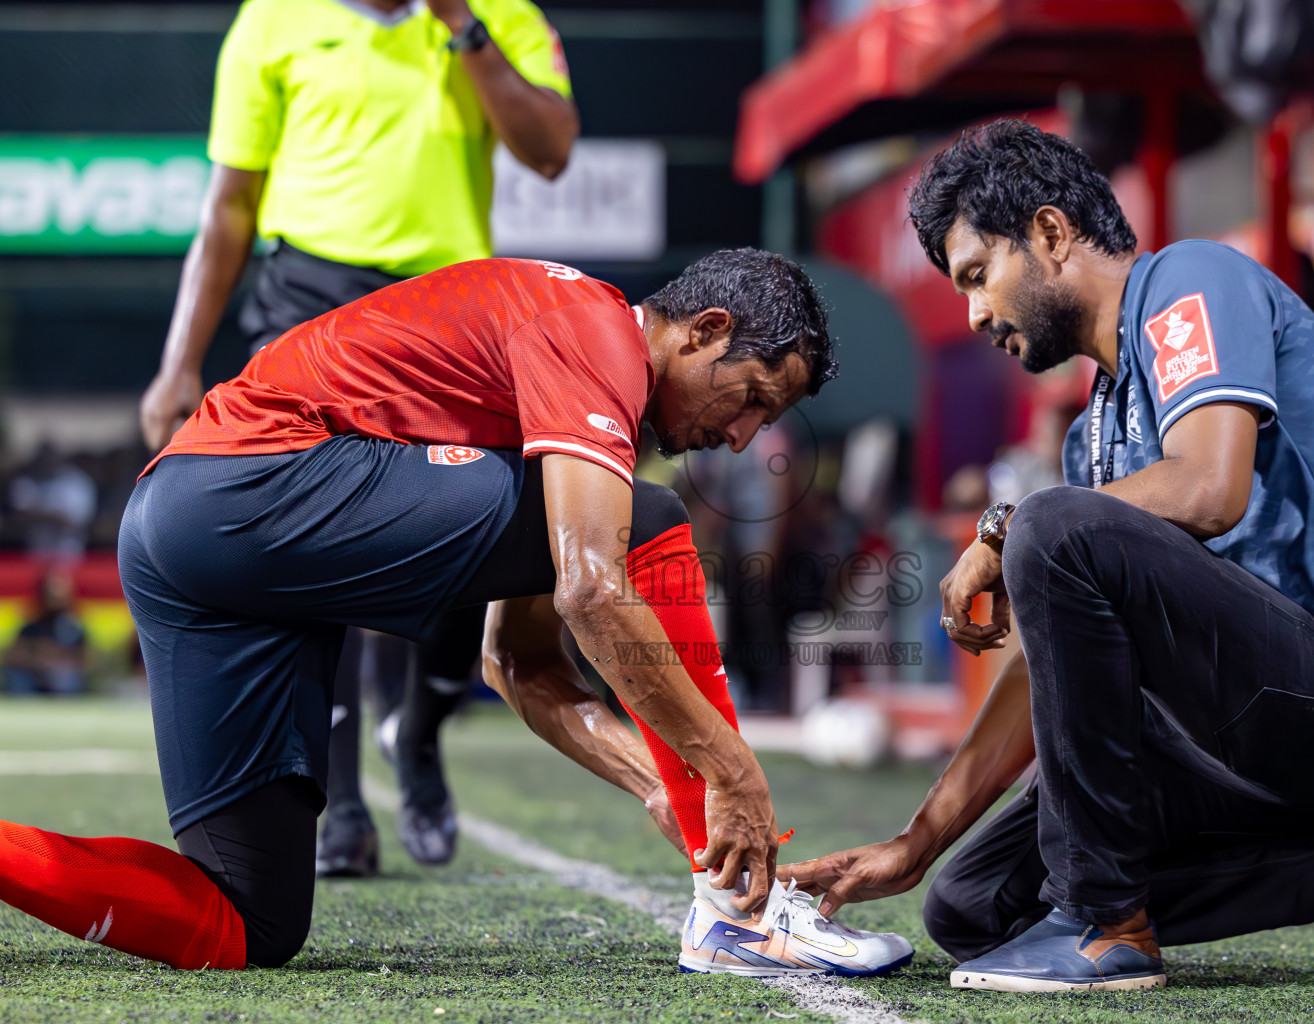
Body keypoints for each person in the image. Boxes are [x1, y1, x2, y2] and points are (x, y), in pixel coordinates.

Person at [0, 249, 912, 978]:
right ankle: (740, 917)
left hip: (189, 541)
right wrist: (731, 773)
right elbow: (592, 588)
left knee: (247, 918)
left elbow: (519, 664)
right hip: (247, 489)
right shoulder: (593, 331)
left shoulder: (566, 411)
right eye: (752, 396)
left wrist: (653, 781)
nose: (745, 436)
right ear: (706, 330)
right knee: (651, 524)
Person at [779, 120, 1314, 993]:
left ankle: (1106, 926)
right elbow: (1041, 672)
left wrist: (1005, 528)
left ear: (1053, 234)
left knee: (1053, 525)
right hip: (1244, 730)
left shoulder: (1190, 281)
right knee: (974, 906)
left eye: (979, 277)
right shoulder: (1089, 444)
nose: (975, 314)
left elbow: (1212, 487)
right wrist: (916, 843)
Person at [136, 0, 580, 877]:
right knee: (312, 552)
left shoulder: (496, 16)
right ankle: (338, 806)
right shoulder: (272, 21)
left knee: (484, 520)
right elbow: (228, 207)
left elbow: (551, 148)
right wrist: (176, 363)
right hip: (310, 297)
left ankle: (416, 731)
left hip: (449, 309)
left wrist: (464, 28)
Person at [1, 570, 88, 696]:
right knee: (18, 677)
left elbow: (86, 661)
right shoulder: (30, 627)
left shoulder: (75, 628)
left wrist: (58, 658)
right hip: (32, 678)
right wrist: (38, 657)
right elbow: (12, 656)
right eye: (52, 592)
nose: (56, 597)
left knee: (67, 676)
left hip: (61, 681)